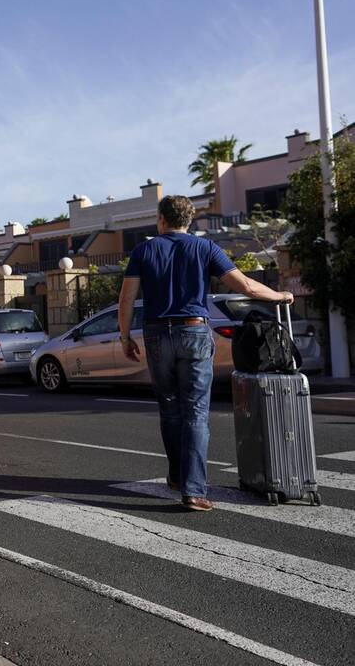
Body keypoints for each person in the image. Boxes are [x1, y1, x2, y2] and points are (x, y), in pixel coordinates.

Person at [118, 195, 293, 512]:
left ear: (161, 219)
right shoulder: (206, 248)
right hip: (194, 331)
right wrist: (280, 295)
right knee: (195, 412)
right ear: (189, 220)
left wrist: (125, 336)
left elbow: (127, 298)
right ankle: (193, 490)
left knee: (169, 409)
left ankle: (176, 475)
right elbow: (246, 287)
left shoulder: (144, 250)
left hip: (157, 333)